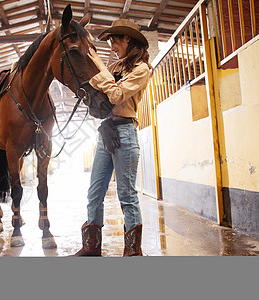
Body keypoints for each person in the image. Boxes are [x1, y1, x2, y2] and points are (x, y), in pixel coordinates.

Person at [71, 19, 152, 256]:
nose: (112, 46)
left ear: (128, 39)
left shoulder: (142, 70)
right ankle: (91, 247)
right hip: (106, 133)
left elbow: (115, 95)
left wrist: (96, 62)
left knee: (126, 194)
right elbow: (98, 96)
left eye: (114, 40)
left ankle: (133, 251)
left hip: (126, 132)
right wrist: (104, 122)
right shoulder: (116, 68)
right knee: (94, 191)